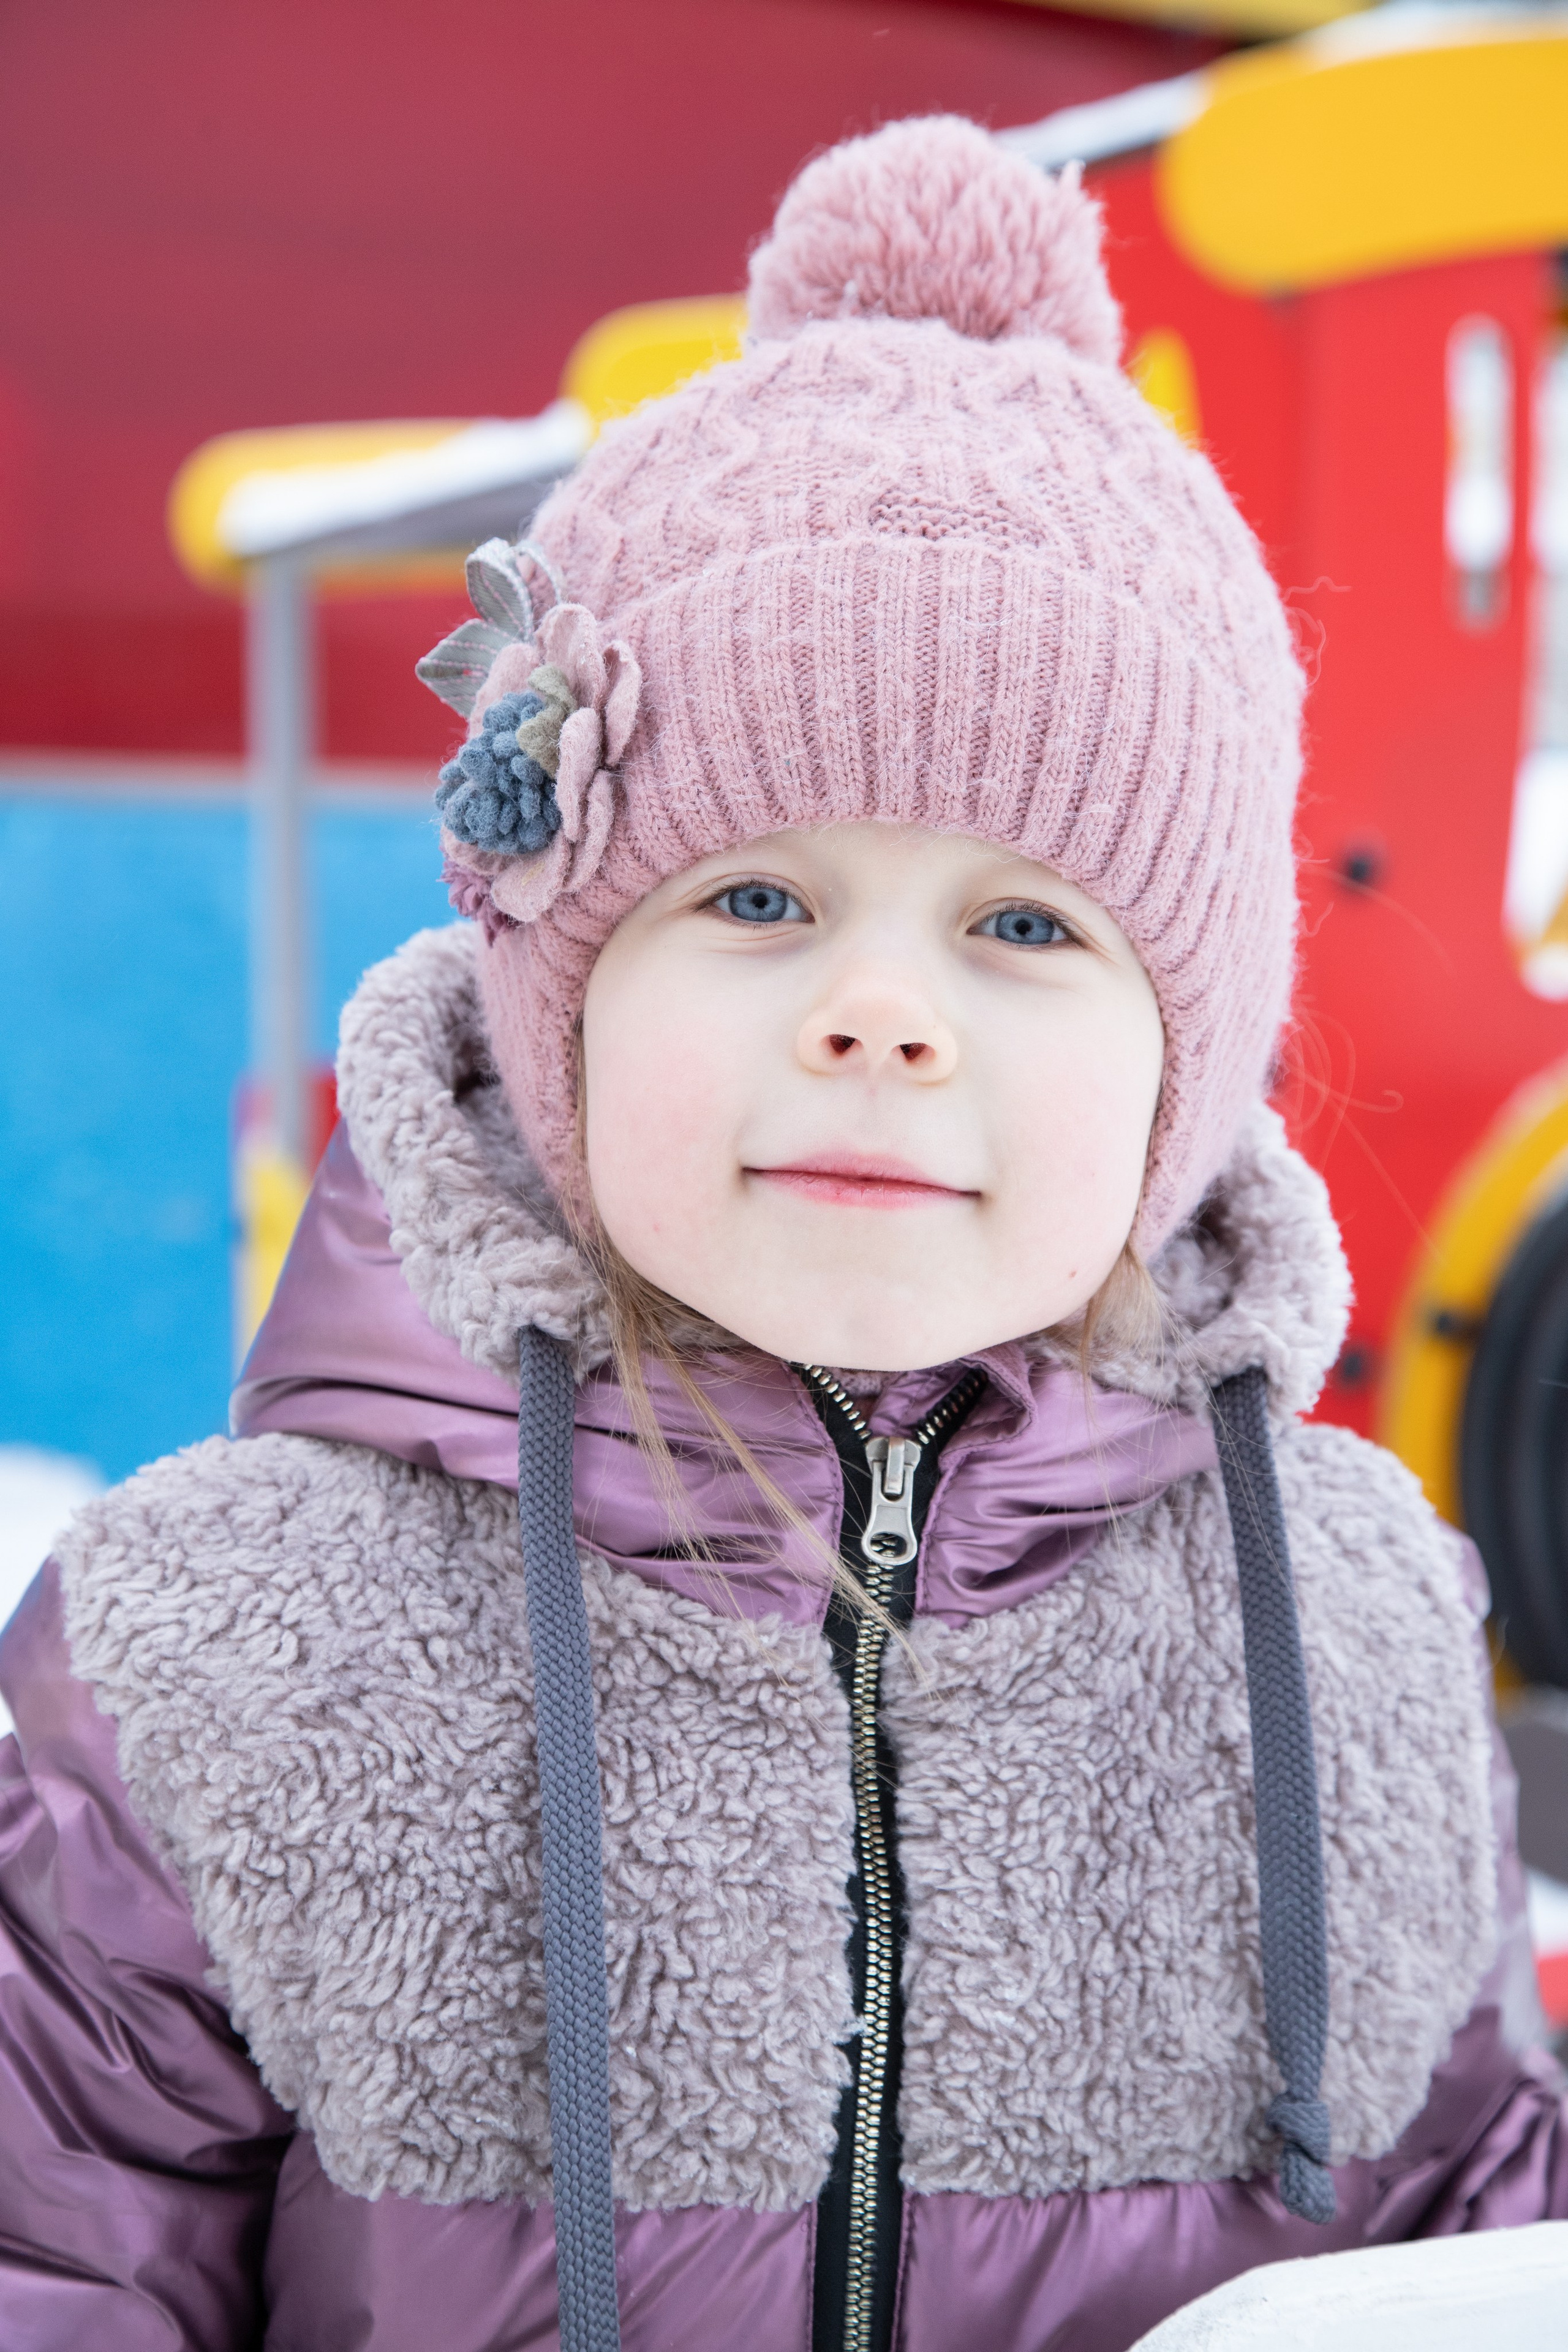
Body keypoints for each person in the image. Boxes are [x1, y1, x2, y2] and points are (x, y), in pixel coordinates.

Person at [0, 116, 1563, 2352]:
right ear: (554, 983)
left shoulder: (1345, 1637)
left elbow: (1483, 2239)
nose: (882, 1016)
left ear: (1183, 1062)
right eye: (757, 899)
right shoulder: (217, 1661)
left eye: (1026, 921)